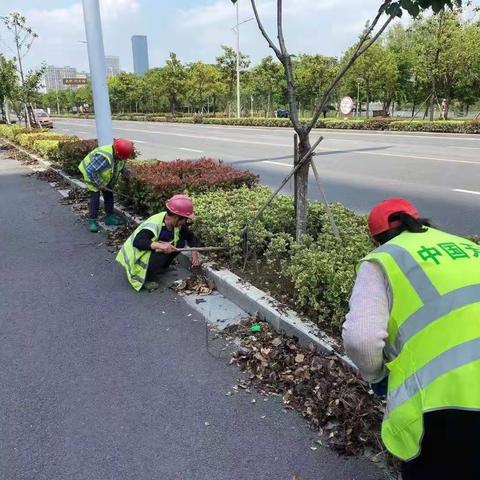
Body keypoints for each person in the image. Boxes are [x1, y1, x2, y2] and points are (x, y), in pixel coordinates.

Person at [343, 198, 480, 480]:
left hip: (447, 404)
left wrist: (377, 375)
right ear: (420, 221)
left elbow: (361, 340)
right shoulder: (467, 246)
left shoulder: (383, 260)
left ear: (376, 238)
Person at [116, 194, 201, 291]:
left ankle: (161, 268)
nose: (185, 222)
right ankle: (146, 279)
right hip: (137, 260)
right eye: (185, 219)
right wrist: (160, 246)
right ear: (177, 217)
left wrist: (194, 251)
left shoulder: (176, 224)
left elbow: (190, 236)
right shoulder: (155, 223)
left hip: (152, 252)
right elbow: (138, 242)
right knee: (162, 251)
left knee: (179, 244)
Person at [78, 138, 135, 233]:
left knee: (109, 193)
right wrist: (99, 184)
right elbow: (90, 170)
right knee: (95, 196)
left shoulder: (120, 154)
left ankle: (109, 217)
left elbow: (121, 166)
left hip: (103, 175)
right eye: (122, 157)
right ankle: (92, 220)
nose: (123, 159)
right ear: (117, 153)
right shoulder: (104, 156)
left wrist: (127, 174)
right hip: (91, 175)